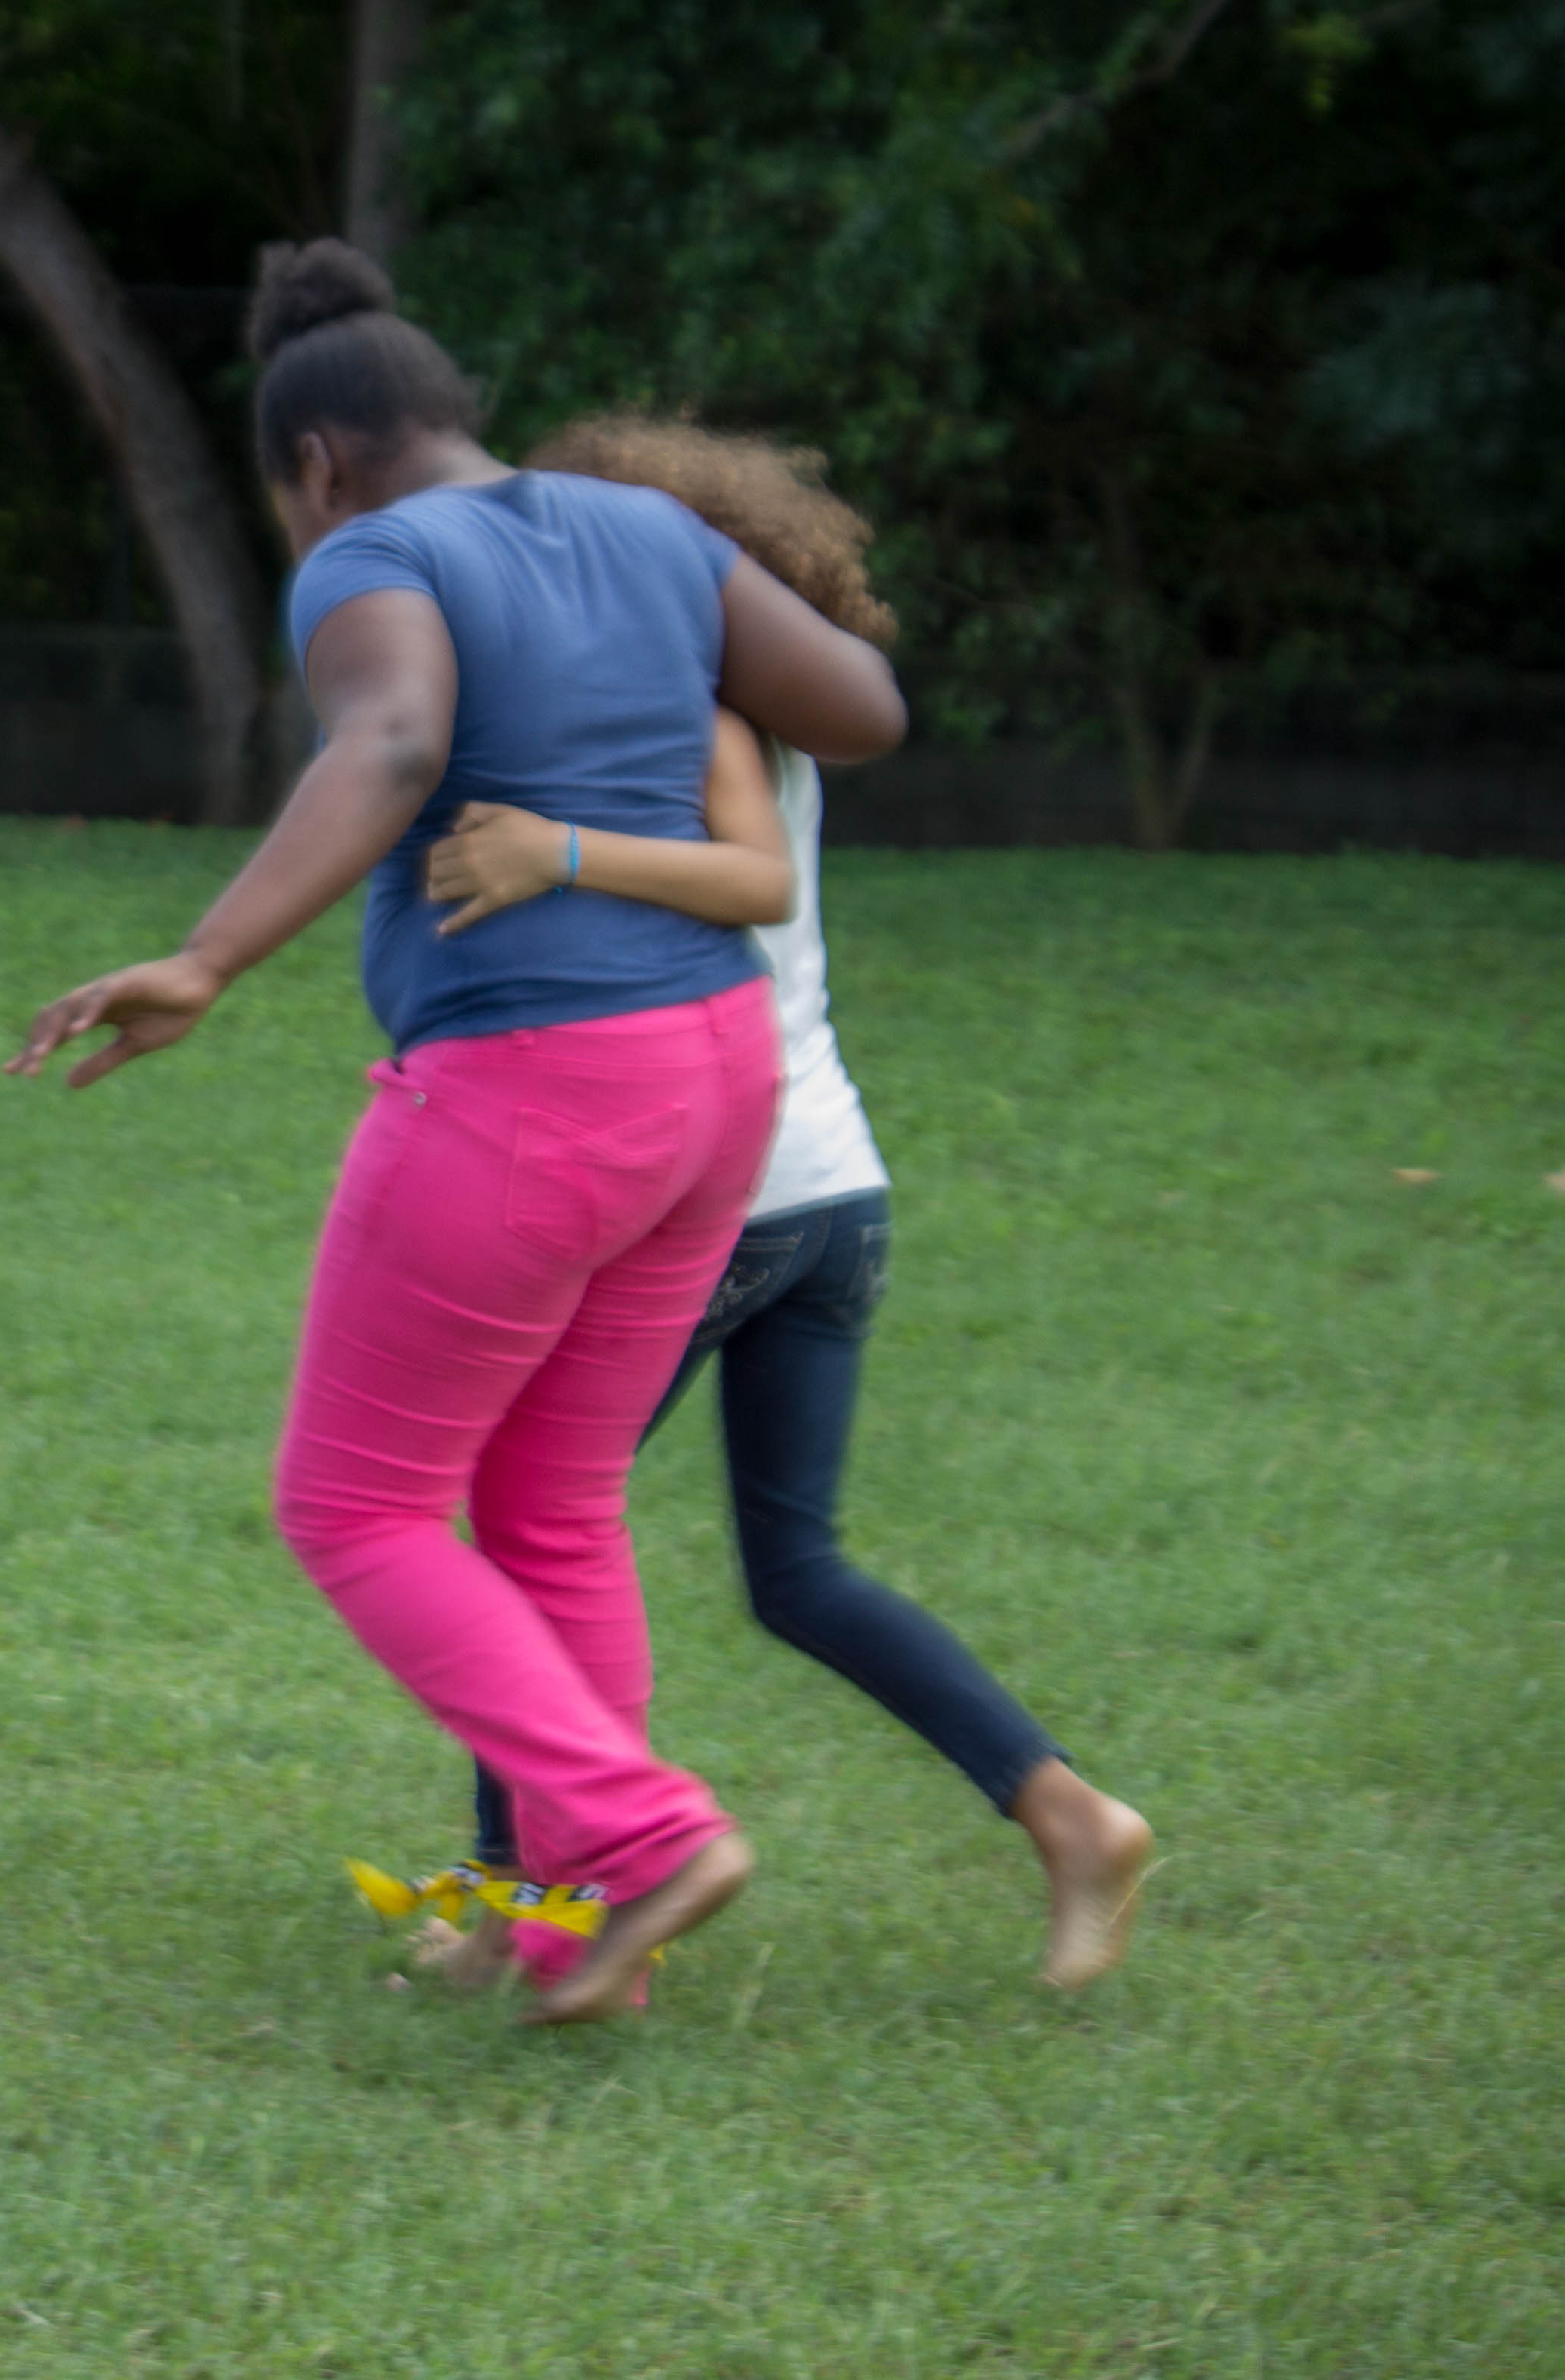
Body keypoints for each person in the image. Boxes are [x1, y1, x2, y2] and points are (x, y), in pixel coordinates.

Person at [6, 242, 908, 2025]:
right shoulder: (647, 531)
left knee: (351, 1504)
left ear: (315, 462)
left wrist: (208, 956)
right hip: (716, 1074)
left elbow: (396, 735)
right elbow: (862, 712)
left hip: (533, 1089)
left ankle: (643, 1836)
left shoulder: (373, 554)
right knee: (552, 1503)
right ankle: (575, 1926)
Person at [413, 416, 1153, 1993]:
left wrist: (550, 850)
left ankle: (542, 1897)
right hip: (831, 1192)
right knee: (794, 1569)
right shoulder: (760, 712)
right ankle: (1072, 1817)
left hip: (716, 1200)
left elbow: (747, 886)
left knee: (529, 1529)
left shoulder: (676, 715)